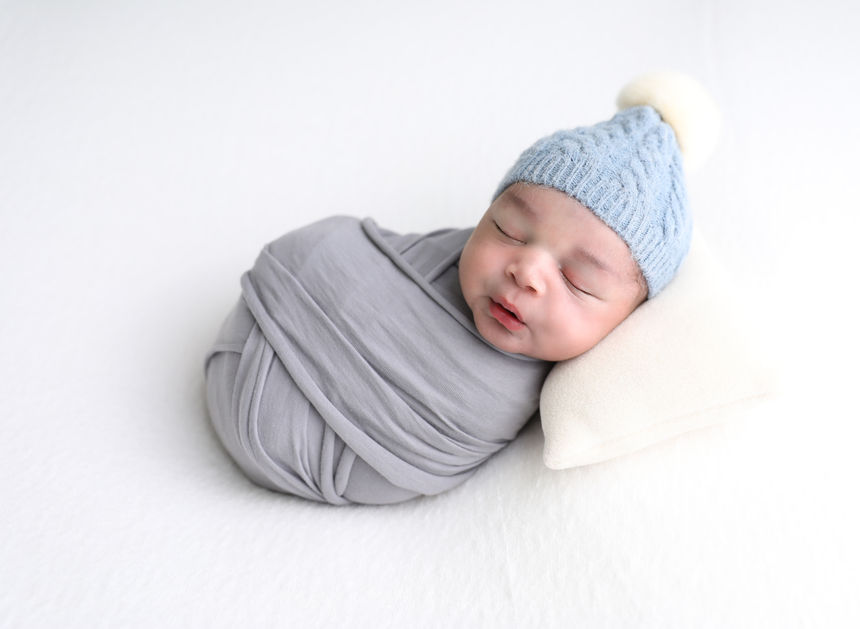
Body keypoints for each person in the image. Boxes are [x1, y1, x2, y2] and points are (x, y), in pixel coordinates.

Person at [204, 79, 697, 506]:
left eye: (578, 281)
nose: (527, 271)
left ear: (629, 317)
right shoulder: (443, 256)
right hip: (265, 332)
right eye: (508, 229)